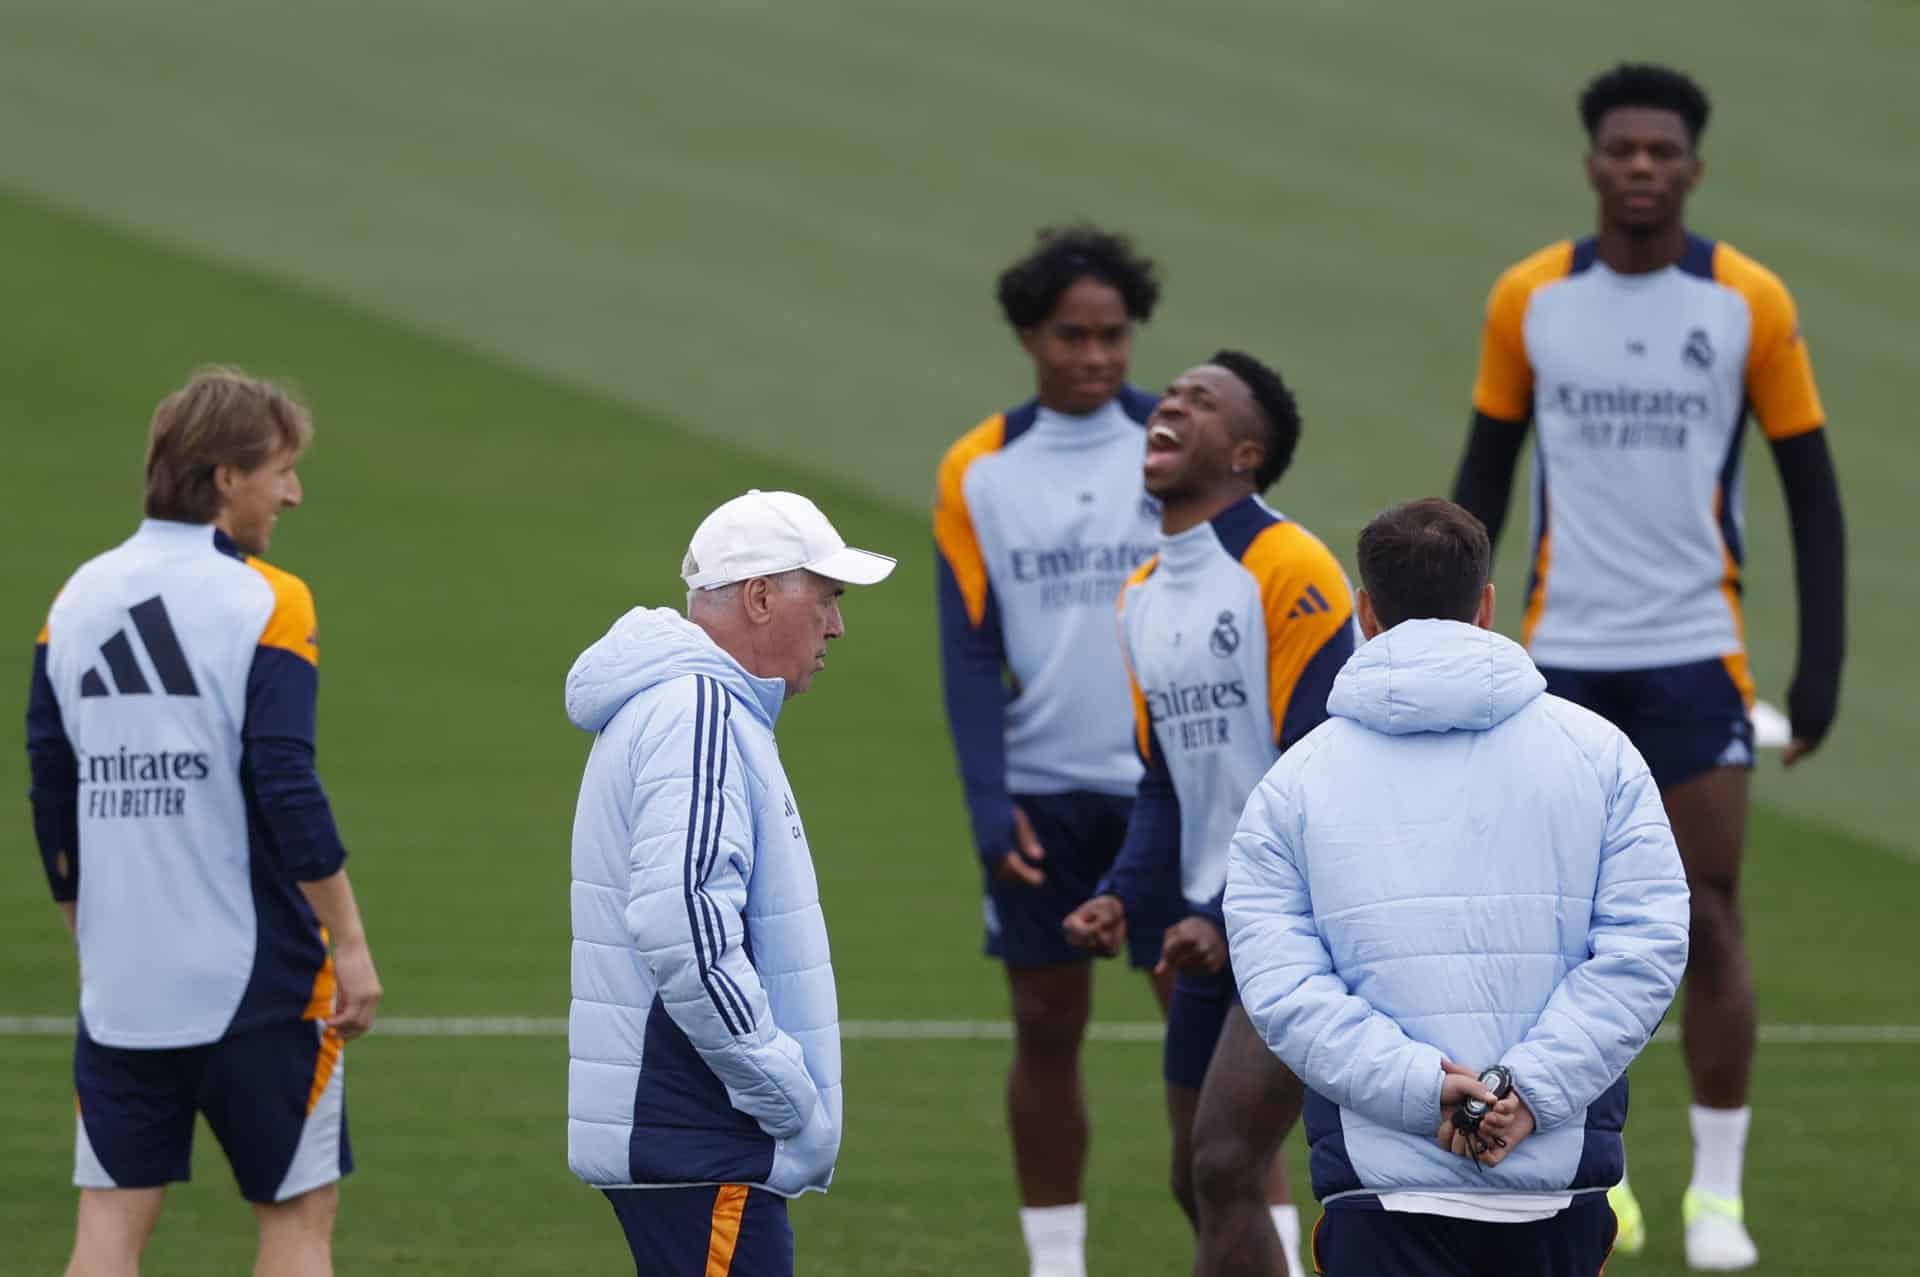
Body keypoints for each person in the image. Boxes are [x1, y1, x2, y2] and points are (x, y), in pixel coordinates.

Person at [1450, 62, 1846, 1270]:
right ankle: (1592, 1175)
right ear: (1591, 162)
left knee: (1710, 914)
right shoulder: (1530, 298)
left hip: (1693, 654)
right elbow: (1485, 477)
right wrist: (1455, 639)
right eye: (1620, 149)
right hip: (1559, 653)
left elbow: (1810, 491)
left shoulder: (1747, 302)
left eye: (1661, 152)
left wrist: (1817, 666)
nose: (1640, 168)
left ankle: (1715, 1197)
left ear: (1692, 166)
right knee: (1557, 933)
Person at [1223, 498, 1691, 1277]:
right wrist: (1528, 1091)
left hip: (1382, 1188)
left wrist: (1423, 1089)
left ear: (1366, 612)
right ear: (1485, 607)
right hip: (1555, 1185)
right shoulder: (1602, 754)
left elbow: (1283, 989)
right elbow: (1646, 950)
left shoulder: (1291, 783)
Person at [26, 367, 384, 1276]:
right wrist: (347, 937)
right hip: (257, 974)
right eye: (281, 470)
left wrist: (82, 916)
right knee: (298, 1219)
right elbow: (283, 778)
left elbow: (49, 784)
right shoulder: (269, 599)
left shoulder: (74, 602)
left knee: (106, 1228)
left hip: (124, 978)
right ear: (226, 477)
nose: (293, 492)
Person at [1063, 351, 1356, 1277]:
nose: (1172, 404)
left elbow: (1322, 768)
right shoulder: (1141, 596)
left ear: (1245, 452)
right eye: (1173, 393)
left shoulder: (1289, 566)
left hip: (1298, 922)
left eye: (1202, 400)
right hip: (1211, 927)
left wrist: (1232, 915)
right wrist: (1119, 893)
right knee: (1200, 1178)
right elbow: (1165, 780)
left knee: (1231, 1160)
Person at [565, 489, 894, 1276]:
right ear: (758, 597)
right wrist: (783, 1090)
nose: (838, 626)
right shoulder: (700, 710)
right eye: (827, 597)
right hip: (705, 1136)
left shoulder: (691, 705)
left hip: (690, 1138)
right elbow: (683, 922)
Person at [933, 225, 1170, 1277]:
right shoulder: (980, 467)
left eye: (1113, 334)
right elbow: (969, 647)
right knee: (1044, 1023)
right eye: (1072, 335)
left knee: (1209, 1029)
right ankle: (1057, 1259)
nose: (1095, 356)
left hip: (1173, 793)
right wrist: (989, 800)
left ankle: (1257, 1247)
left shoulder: (1180, 442)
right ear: (1030, 336)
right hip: (1041, 791)